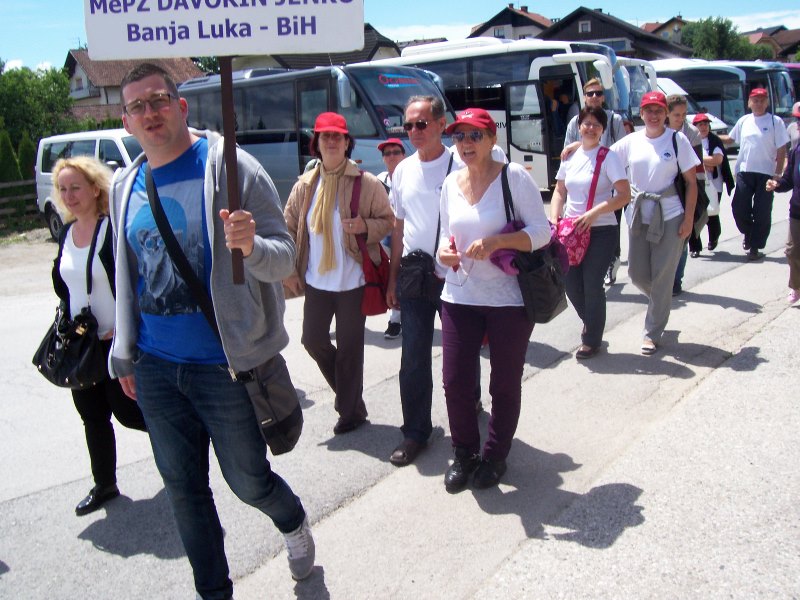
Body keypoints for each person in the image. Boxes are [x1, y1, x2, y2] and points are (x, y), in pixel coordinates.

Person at [109, 63, 314, 599]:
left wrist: (250, 246)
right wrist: (125, 352)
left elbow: (285, 257)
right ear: (126, 121)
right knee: (184, 490)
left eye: (159, 100)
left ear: (181, 106)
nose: (150, 112)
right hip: (156, 368)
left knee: (248, 482)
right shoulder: (124, 186)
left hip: (227, 366)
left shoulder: (232, 169)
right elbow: (127, 278)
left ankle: (291, 520)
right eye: (137, 106)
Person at [437, 108, 551, 491]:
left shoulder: (513, 177)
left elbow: (542, 233)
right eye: (459, 136)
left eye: (475, 135)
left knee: (503, 383)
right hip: (459, 294)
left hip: (508, 299)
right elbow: (445, 237)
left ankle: (495, 455)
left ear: (492, 139)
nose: (466, 143)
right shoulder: (450, 183)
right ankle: (464, 453)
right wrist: (444, 254)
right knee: (455, 381)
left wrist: (497, 241)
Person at [283, 112, 393, 436]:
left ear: (347, 143)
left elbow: (387, 221)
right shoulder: (305, 185)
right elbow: (287, 229)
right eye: (325, 136)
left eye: (337, 136)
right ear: (316, 143)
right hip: (316, 281)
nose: (331, 141)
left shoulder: (366, 183)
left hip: (353, 282)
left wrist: (364, 226)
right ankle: (352, 400)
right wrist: (288, 270)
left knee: (349, 351)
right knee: (312, 340)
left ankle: (349, 412)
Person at [50, 156, 147, 516]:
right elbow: (64, 286)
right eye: (63, 189)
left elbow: (133, 283)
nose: (69, 195)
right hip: (83, 345)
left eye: (76, 187)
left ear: (94, 189)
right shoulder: (66, 233)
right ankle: (104, 484)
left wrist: (127, 327)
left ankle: (183, 453)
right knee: (92, 416)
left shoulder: (112, 230)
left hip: (115, 342)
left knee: (129, 412)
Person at [385, 95, 458, 467]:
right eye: (408, 125)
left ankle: (468, 412)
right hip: (415, 278)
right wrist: (393, 278)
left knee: (460, 355)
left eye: (421, 124)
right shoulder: (402, 171)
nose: (414, 131)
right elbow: (398, 228)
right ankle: (415, 432)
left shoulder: (460, 163)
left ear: (442, 125)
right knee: (413, 357)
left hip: (456, 276)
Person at [611, 91, 700, 356]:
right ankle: (661, 302)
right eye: (648, 110)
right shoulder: (631, 141)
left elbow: (692, 183)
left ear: (665, 114)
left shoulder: (677, 140)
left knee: (662, 275)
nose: (654, 115)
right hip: (639, 215)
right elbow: (602, 157)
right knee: (637, 274)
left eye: (659, 110)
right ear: (641, 113)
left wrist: (688, 219)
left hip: (671, 215)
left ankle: (651, 333)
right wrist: (575, 147)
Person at [550, 106, 631, 359]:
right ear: (579, 127)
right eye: (587, 123)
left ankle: (591, 339)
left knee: (592, 283)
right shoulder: (570, 156)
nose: (591, 128)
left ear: (603, 129)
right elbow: (559, 191)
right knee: (571, 285)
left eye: (597, 124)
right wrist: (555, 219)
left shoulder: (609, 157)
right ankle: (593, 322)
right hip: (572, 231)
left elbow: (624, 195)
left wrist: (594, 213)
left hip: (601, 230)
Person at [561, 78, 628, 287]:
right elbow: (568, 152)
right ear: (584, 97)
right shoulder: (575, 121)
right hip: (579, 194)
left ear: (603, 97)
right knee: (574, 280)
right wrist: (579, 145)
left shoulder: (614, 119)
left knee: (593, 278)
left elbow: (622, 149)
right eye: (590, 93)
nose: (594, 97)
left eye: (598, 93)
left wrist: (598, 152)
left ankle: (611, 260)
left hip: (609, 182)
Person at [720, 88, 790, 261]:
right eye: (755, 100)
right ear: (749, 103)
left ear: (767, 103)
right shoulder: (744, 120)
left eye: (762, 101)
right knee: (738, 207)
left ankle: (755, 246)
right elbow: (730, 139)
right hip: (744, 171)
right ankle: (749, 233)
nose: (758, 104)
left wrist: (777, 174)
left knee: (762, 211)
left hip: (766, 173)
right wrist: (708, 135)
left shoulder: (775, 121)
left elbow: (782, 149)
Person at [666, 94, 704, 295]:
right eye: (676, 115)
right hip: (664, 189)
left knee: (682, 236)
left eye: (684, 114)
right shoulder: (659, 130)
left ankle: (676, 280)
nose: (681, 119)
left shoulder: (692, 133)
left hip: (685, 188)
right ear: (667, 113)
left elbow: (697, 167)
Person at [692, 113, 734, 254]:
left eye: (706, 124)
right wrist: (705, 162)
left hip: (713, 184)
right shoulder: (690, 139)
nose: (704, 127)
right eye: (700, 125)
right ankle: (695, 247)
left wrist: (700, 160)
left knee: (711, 213)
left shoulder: (714, 140)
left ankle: (714, 237)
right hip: (695, 183)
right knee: (693, 216)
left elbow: (717, 160)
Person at [377, 137, 406, 340]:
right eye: (387, 153)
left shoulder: (412, 176)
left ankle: (397, 319)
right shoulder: (379, 180)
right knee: (390, 277)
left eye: (396, 152)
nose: (391, 156)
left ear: (404, 155)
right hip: (385, 235)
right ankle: (395, 318)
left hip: (406, 235)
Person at [766, 135, 800, 304]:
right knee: (792, 252)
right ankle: (797, 287)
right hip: (797, 210)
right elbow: (788, 180)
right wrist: (777, 184)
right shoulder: (796, 151)